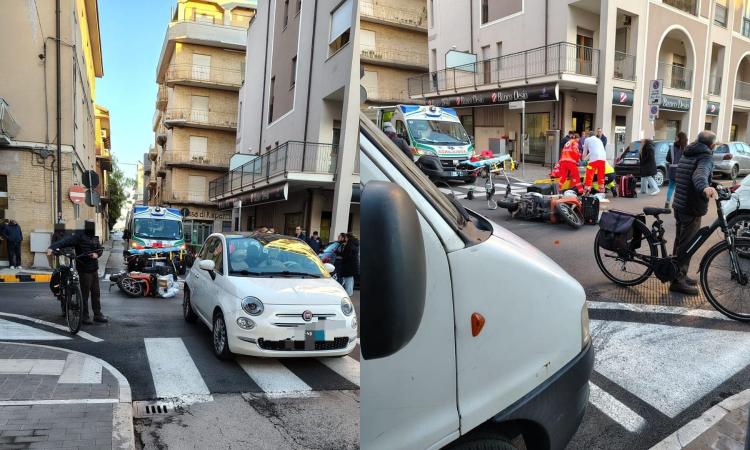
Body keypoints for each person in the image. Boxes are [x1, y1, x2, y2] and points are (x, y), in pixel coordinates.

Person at [671, 130, 718, 295]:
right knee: (687, 245)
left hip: (679, 204)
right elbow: (699, 175)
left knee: (680, 242)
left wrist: (712, 184)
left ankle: (678, 273)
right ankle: (678, 281)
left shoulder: (689, 152)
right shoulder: (705, 157)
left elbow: (691, 174)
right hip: (691, 207)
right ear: (711, 145)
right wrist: (705, 188)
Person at [46, 220, 106, 324]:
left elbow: (100, 250)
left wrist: (97, 254)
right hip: (84, 269)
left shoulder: (95, 238)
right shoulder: (79, 236)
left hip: (94, 269)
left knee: (96, 294)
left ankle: (98, 314)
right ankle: (85, 316)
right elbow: (64, 242)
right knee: (85, 295)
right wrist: (52, 247)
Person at [666, 131, 688, 209]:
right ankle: (679, 204)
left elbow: (667, 159)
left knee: (671, 187)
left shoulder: (672, 147)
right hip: (683, 170)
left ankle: (667, 202)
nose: (675, 138)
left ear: (678, 138)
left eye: (676, 137)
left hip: (672, 170)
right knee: (681, 188)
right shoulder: (686, 148)